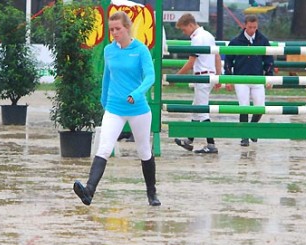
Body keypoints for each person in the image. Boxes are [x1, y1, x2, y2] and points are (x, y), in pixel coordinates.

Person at [73, 11, 160, 207]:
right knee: (104, 148)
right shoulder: (109, 50)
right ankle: (89, 191)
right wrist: (104, 101)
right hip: (114, 108)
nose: (114, 33)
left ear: (127, 28)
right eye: (111, 29)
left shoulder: (141, 50)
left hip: (138, 108)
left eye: (118, 29)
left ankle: (152, 193)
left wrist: (137, 94)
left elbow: (150, 77)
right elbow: (107, 76)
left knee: (144, 150)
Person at [173, 13, 222, 154]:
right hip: (210, 75)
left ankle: (211, 144)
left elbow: (191, 62)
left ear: (190, 25)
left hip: (202, 77)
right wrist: (219, 75)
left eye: (184, 29)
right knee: (196, 109)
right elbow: (217, 57)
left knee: (202, 112)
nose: (184, 32)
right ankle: (189, 140)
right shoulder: (209, 35)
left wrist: (176, 76)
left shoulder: (196, 39)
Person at [224, 15, 274, 146]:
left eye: (255, 27)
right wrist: (228, 78)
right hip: (241, 78)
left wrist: (269, 76)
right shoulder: (235, 41)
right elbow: (228, 61)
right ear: (244, 25)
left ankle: (252, 128)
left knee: (260, 107)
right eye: (250, 27)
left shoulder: (263, 40)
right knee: (244, 106)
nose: (253, 30)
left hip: (258, 78)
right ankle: (244, 135)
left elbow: (269, 60)